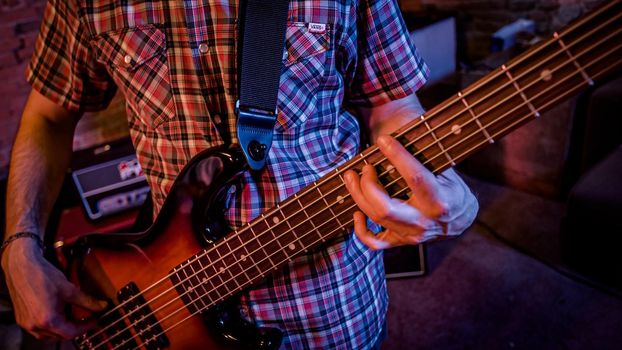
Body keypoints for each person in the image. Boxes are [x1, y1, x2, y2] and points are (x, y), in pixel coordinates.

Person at [1, 0, 478, 348]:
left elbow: (392, 104)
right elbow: (48, 115)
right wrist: (20, 244)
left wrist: (445, 185)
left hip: (331, 304)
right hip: (165, 309)